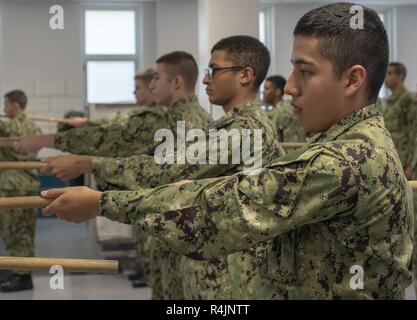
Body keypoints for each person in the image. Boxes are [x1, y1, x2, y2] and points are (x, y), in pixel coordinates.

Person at [41, 3, 414, 299]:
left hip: (227, 279)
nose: (289, 88)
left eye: (306, 72)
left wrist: (103, 201)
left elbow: (222, 206)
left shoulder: (344, 161)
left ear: (352, 79)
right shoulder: (352, 142)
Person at [38, 35, 283, 299]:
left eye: (214, 70)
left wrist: (90, 170)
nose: (205, 79)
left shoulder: (245, 129)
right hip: (218, 266)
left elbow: (167, 171)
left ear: (245, 75)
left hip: (231, 276)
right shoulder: (231, 125)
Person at [15, 53, 211, 159]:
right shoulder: (207, 119)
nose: (152, 86)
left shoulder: (164, 121)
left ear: (176, 82)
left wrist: (45, 140)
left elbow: (107, 139)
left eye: (157, 79)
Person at [0, 90, 42, 292]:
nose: (3, 109)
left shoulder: (13, 126)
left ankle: (23, 276)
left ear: (16, 106)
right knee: (18, 229)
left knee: (18, 231)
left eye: (6, 105)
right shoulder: (32, 126)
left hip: (15, 185)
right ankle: (17, 269)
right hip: (25, 183)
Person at [383, 62, 417, 180]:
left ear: (400, 76)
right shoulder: (389, 102)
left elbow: (414, 133)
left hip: (405, 160)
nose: (385, 77)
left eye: (389, 73)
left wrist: (411, 165)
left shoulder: (409, 99)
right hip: (393, 158)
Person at [263, 75, 306, 142]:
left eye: (267, 88)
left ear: (278, 92)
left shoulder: (284, 111)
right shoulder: (277, 110)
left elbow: (291, 144)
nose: (263, 92)